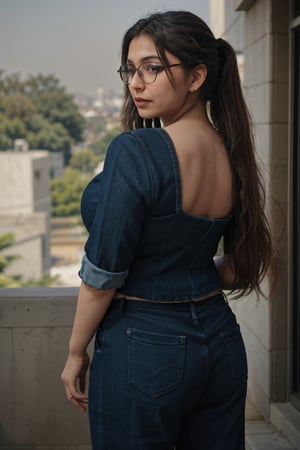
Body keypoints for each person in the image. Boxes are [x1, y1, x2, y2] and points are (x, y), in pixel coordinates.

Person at [61, 10, 273, 450]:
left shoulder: (136, 149)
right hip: (221, 341)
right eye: (131, 70)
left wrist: (76, 352)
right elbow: (235, 269)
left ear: (197, 76)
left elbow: (102, 273)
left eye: (153, 69)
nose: (135, 83)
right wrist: (184, 273)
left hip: (145, 346)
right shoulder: (231, 150)